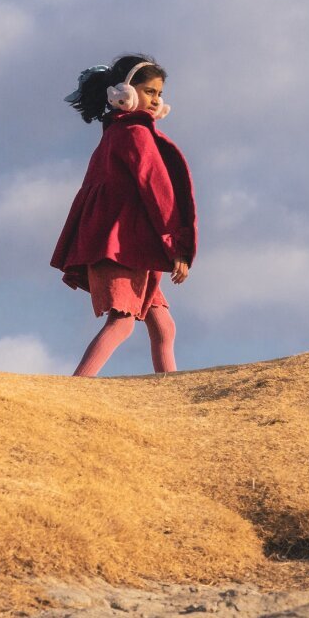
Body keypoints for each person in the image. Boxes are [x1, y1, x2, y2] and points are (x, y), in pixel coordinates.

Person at [51, 54, 197, 377]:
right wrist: (177, 247)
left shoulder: (114, 133)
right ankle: (76, 389)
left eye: (159, 94)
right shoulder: (133, 133)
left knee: (163, 326)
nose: (156, 100)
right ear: (124, 93)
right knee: (123, 321)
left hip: (128, 247)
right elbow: (157, 190)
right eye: (149, 92)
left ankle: (171, 393)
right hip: (116, 247)